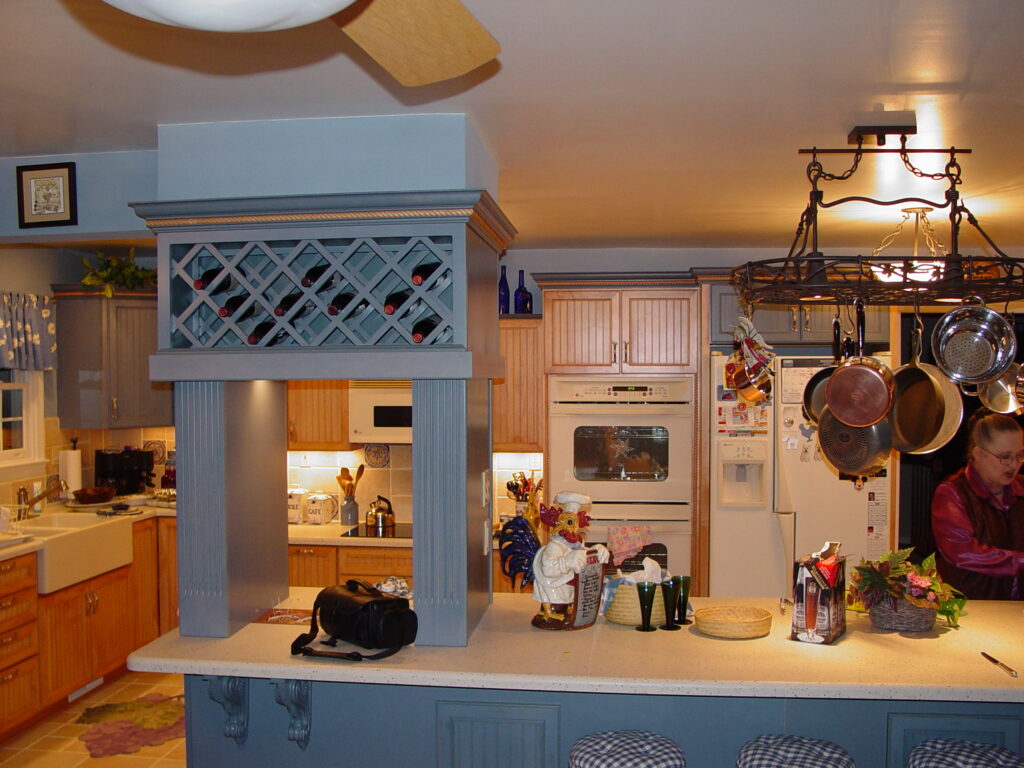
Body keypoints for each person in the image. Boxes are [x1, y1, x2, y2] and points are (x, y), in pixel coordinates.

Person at [931, 410, 1024, 599]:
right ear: (979, 453)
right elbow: (962, 551)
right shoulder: (952, 492)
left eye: (1020, 456)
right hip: (969, 606)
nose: (1013, 465)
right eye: (1005, 457)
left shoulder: (1021, 486)